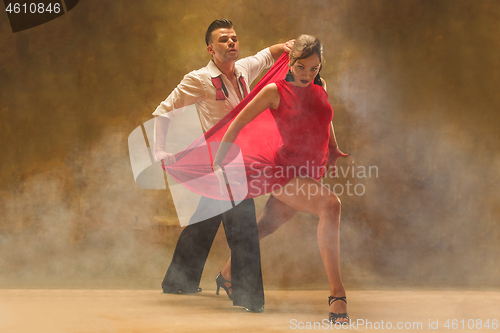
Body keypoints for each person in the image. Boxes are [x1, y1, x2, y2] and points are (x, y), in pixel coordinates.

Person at [152, 18, 293, 312]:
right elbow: (164, 111)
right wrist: (159, 150)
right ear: (210, 49)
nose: (232, 43)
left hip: (245, 160)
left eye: (234, 39)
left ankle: (178, 280)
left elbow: (271, 53)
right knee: (243, 228)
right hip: (223, 165)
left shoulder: (244, 69)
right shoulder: (198, 79)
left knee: (204, 221)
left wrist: (290, 47)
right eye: (224, 40)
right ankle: (248, 296)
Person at [212, 35, 350, 323]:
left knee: (265, 226)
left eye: (314, 68)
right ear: (290, 61)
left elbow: (325, 115)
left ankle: (226, 276)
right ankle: (337, 296)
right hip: (284, 170)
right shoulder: (276, 91)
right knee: (330, 205)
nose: (307, 75)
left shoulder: (320, 85)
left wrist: (333, 147)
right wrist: (219, 159)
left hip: (310, 169)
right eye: (301, 67)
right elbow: (237, 121)